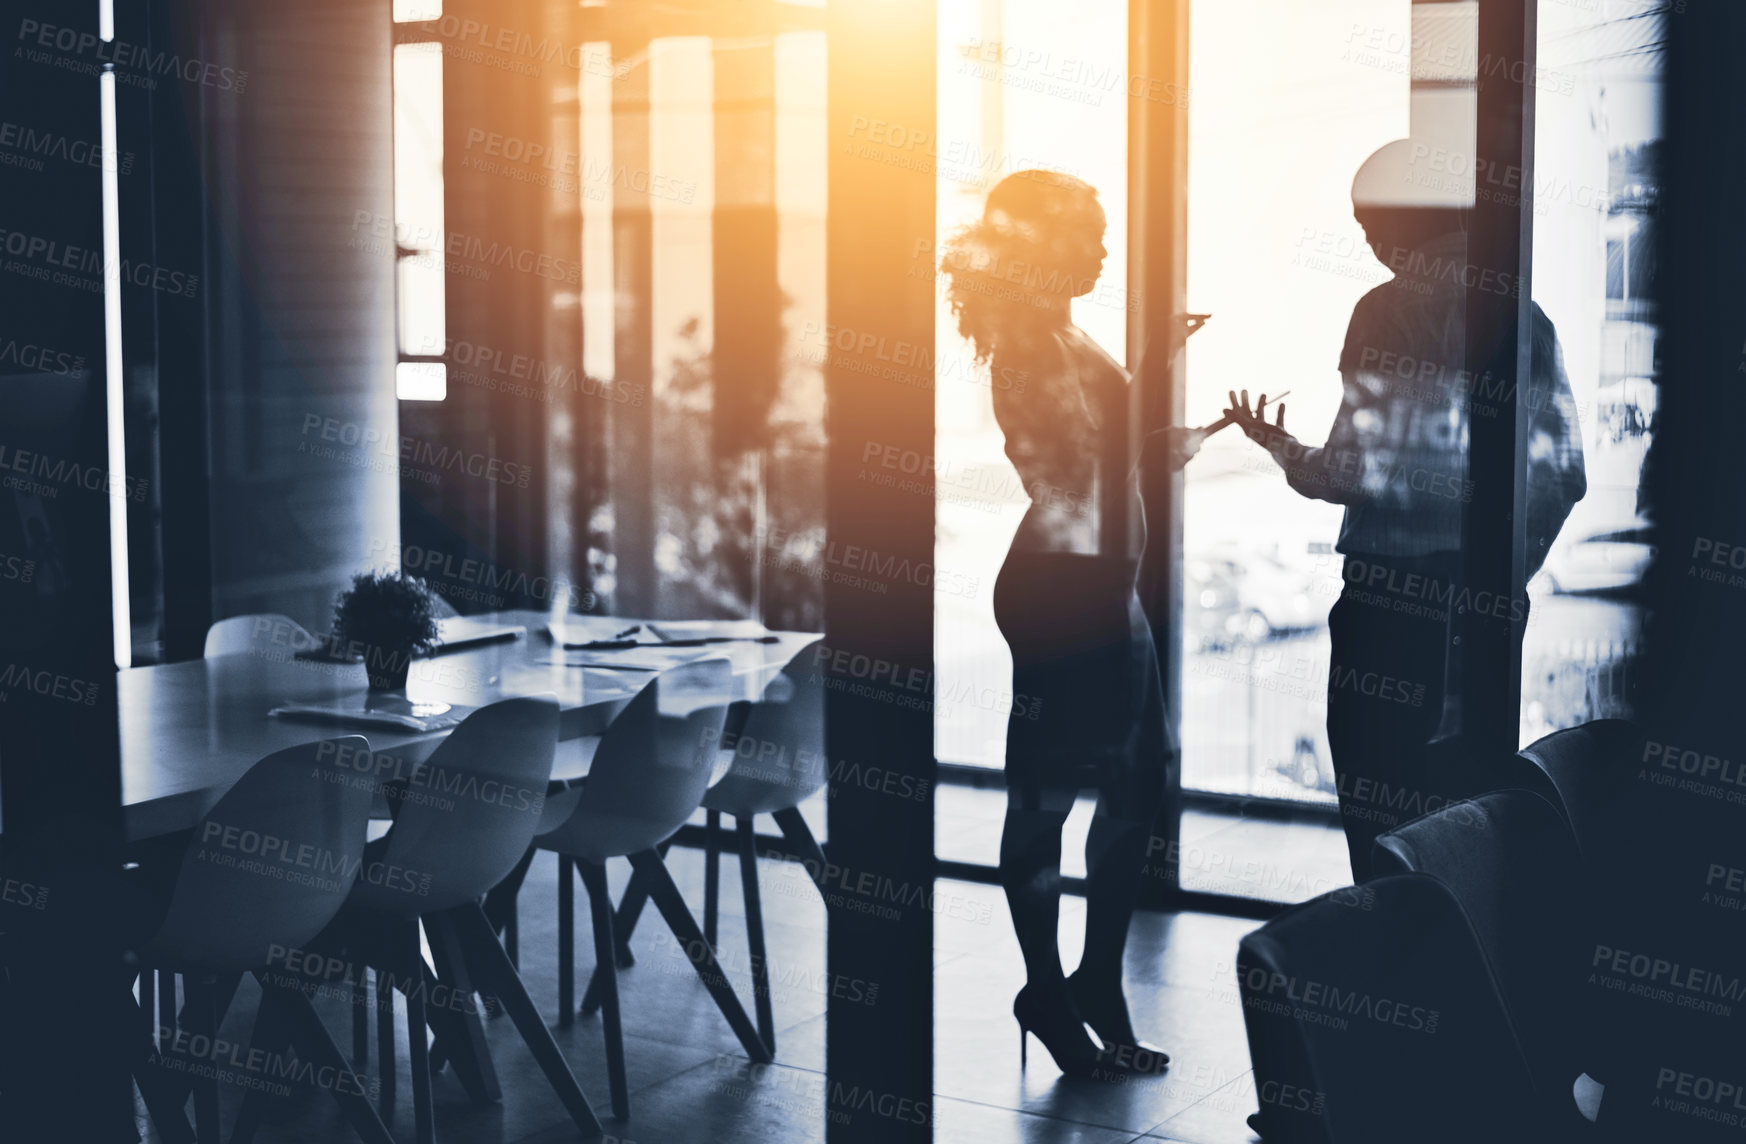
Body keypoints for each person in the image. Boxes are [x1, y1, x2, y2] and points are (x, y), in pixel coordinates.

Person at [1224, 139, 1586, 882]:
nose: (1366, 244)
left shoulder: (1384, 311)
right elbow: (1566, 476)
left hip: (1387, 602)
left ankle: (1392, 973)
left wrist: (1280, 447)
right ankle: (1460, 975)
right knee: (1464, 812)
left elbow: (1352, 471)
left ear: (1398, 219)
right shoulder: (1525, 317)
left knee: (1379, 811)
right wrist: (1495, 577)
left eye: (1367, 225)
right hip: (1483, 605)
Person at [940, 170, 1206, 1079]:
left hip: (1098, 583)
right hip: (1065, 590)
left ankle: (1090, 980)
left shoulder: (1062, 333)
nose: (1102, 250)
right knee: (1051, 797)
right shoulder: (1026, 340)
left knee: (1137, 784)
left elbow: (1106, 455)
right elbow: (1082, 468)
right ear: (1042, 245)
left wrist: (1162, 436)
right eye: (1088, 235)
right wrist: (1157, 366)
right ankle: (1052, 987)